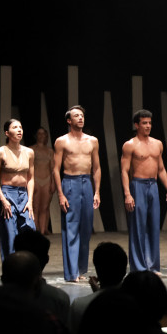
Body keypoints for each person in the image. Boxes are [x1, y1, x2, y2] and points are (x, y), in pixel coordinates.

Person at [121, 109, 167, 274]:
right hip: (138, 185)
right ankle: (139, 266)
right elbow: (124, 171)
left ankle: (152, 265)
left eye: (149, 123)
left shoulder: (157, 143)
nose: (148, 126)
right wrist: (128, 194)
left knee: (153, 226)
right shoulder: (130, 145)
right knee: (138, 227)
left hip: (153, 186)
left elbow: (162, 169)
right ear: (136, 125)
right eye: (144, 123)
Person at [53, 105, 101, 283]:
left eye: (82, 115)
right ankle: (71, 272)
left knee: (86, 229)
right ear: (69, 120)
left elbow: (96, 168)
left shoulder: (92, 141)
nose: (80, 118)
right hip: (70, 183)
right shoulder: (61, 141)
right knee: (71, 227)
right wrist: (60, 194)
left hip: (86, 183)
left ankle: (81, 270)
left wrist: (97, 191)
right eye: (76, 116)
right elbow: (56, 169)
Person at [0, 119, 36, 261]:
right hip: (7, 193)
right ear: (7, 132)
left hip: (23, 194)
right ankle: (10, 270)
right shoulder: (0, 152)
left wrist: (30, 201)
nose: (19, 130)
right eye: (15, 127)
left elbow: (31, 178)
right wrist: (3, 200)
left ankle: (28, 265)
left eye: (21, 127)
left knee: (30, 230)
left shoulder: (29, 152)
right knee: (10, 235)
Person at [31, 127, 55, 235]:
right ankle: (36, 231)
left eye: (43, 133)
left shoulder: (50, 151)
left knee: (44, 208)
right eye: (39, 133)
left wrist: (53, 182)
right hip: (35, 179)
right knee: (35, 207)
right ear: (36, 135)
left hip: (47, 180)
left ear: (46, 136)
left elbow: (53, 168)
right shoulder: (31, 150)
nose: (41, 136)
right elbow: (28, 168)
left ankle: (42, 231)